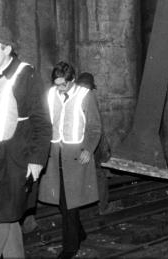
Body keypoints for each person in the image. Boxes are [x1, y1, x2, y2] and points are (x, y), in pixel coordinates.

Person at [0, 25, 52, 259]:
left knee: (1, 212)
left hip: (15, 154)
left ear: (8, 49)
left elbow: (43, 123)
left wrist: (37, 160)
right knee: (6, 213)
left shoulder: (26, 75)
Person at [39, 62, 102, 259]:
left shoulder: (85, 95)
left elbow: (95, 127)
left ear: (72, 81)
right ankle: (79, 232)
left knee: (69, 203)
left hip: (76, 157)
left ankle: (70, 248)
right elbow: (44, 123)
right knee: (61, 201)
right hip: (54, 156)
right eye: (56, 84)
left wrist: (89, 149)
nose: (59, 88)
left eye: (63, 85)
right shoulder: (50, 95)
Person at [76, 72, 111, 215]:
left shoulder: (74, 97)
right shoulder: (89, 97)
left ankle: (82, 207)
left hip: (77, 145)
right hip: (91, 145)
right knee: (99, 176)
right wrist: (104, 149)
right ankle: (103, 207)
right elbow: (97, 128)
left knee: (81, 176)